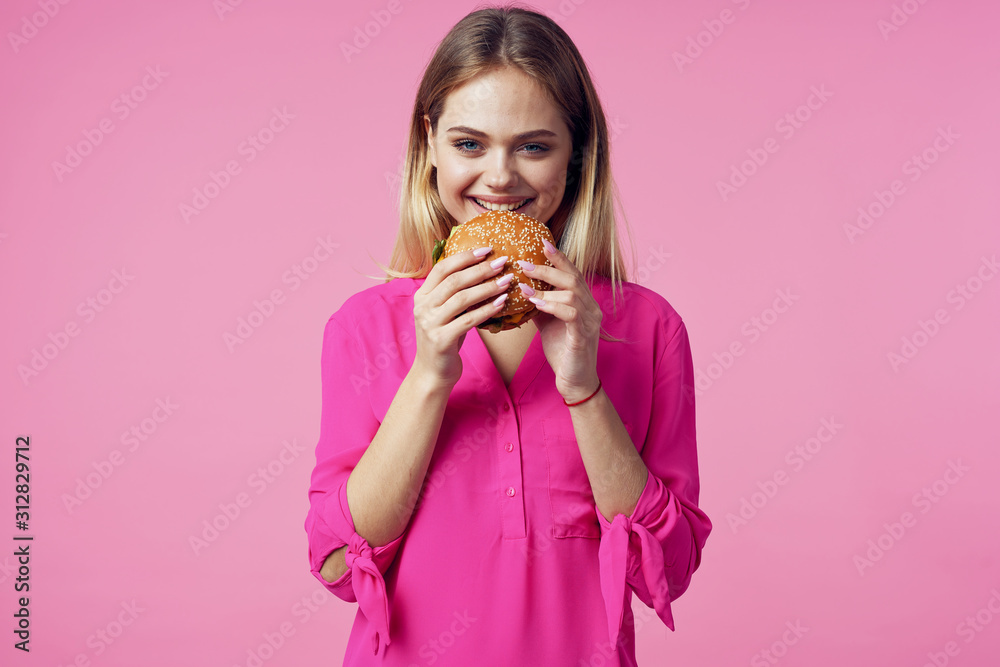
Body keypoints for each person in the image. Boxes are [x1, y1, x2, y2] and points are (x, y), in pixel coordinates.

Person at [304, 5, 712, 665]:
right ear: (430, 144)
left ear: (577, 154)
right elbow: (334, 565)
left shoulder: (649, 328)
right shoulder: (363, 327)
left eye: (534, 145)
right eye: (469, 143)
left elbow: (669, 567)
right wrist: (431, 373)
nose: (499, 177)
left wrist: (583, 388)